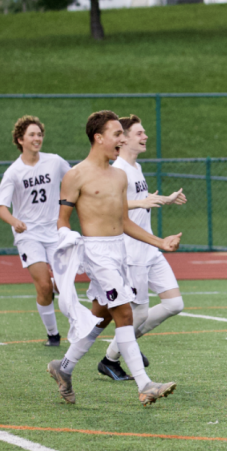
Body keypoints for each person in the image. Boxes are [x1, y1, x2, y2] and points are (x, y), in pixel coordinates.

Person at [47, 110, 182, 406]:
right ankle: (145, 385)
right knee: (125, 314)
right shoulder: (75, 175)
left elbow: (125, 223)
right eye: (117, 134)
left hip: (120, 251)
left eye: (123, 134)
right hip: (96, 254)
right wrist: (63, 255)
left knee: (101, 317)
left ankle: (64, 367)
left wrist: (161, 242)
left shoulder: (120, 175)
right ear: (99, 138)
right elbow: (62, 221)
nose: (121, 139)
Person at [97, 114, 187, 381]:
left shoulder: (135, 168)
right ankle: (110, 358)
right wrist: (142, 203)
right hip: (131, 252)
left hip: (149, 248)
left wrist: (164, 199)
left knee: (174, 304)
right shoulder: (119, 170)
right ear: (123, 139)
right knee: (138, 314)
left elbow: (138, 199)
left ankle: (122, 349)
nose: (145, 136)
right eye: (139, 133)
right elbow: (114, 208)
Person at [0, 116, 70, 346]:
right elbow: (1, 207)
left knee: (63, 285)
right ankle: (53, 334)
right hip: (28, 235)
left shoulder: (55, 162)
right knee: (45, 286)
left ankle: (78, 327)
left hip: (55, 231)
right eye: (32, 135)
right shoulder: (14, 172)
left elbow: (75, 180)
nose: (37, 138)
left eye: (39, 134)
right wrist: (14, 221)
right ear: (20, 140)